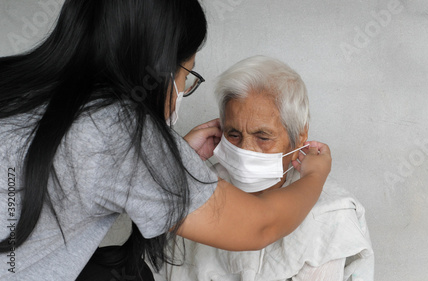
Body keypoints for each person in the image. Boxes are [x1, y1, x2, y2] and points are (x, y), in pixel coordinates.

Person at [0, 1, 332, 281]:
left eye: (262, 136)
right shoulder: (121, 132)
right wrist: (316, 175)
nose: (244, 149)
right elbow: (260, 226)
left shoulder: (14, 82)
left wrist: (169, 163)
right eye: (185, 76)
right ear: (158, 70)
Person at [167, 56, 374, 281]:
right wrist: (180, 162)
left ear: (299, 138)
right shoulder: (194, 188)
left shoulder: (328, 215)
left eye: (263, 137)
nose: (245, 150)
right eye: (234, 135)